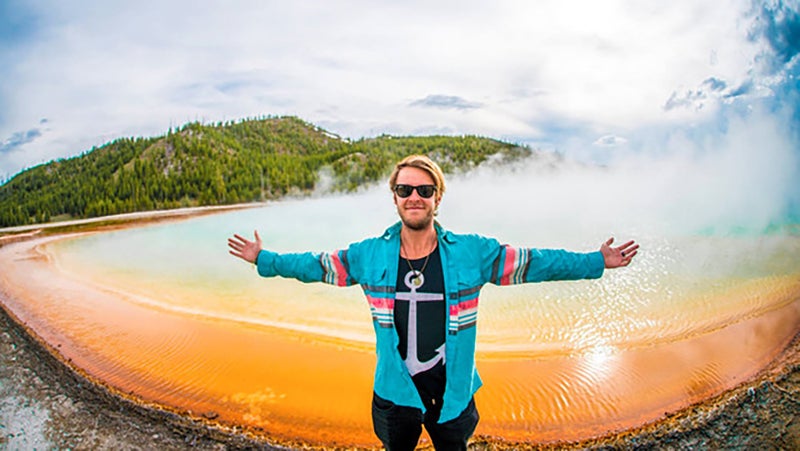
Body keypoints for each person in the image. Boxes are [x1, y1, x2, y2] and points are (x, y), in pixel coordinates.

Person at [228, 154, 638, 451]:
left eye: (424, 190)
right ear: (394, 197)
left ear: (437, 198)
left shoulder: (470, 253)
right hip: (394, 391)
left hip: (453, 390)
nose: (414, 197)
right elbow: (317, 265)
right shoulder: (369, 255)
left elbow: (535, 263)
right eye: (405, 189)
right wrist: (264, 259)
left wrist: (595, 261)